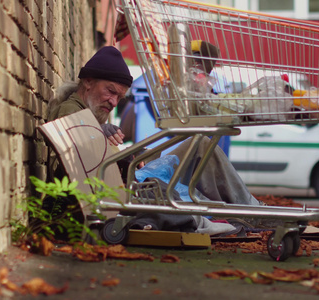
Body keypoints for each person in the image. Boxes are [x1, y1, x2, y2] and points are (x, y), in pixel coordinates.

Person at [46, 46, 269, 235]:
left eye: (119, 97)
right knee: (199, 144)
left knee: (198, 143)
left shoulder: (91, 111)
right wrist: (100, 133)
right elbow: (72, 142)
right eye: (110, 91)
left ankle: (250, 211)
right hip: (125, 193)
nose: (113, 101)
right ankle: (254, 213)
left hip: (129, 184)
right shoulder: (70, 110)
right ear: (88, 81)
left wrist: (126, 155)